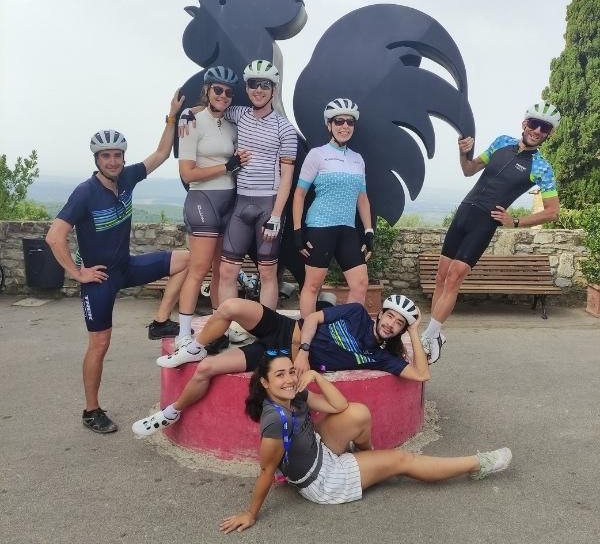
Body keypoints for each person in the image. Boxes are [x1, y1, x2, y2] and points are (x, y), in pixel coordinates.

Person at [218, 353, 512, 532]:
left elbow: (338, 405)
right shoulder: (275, 419)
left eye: (291, 371)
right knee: (403, 461)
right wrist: (250, 513)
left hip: (318, 451)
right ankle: (479, 464)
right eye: (280, 375)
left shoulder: (295, 395)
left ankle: (370, 461)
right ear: (265, 383)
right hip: (325, 480)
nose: (289, 379)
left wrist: (316, 378)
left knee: (357, 412)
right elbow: (267, 471)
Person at [45, 91, 189, 434]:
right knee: (100, 344)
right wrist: (77, 273)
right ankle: (91, 411)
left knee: (189, 259)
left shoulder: (126, 178)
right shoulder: (85, 192)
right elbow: (54, 236)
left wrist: (171, 117)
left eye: (117, 155)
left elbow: (160, 154)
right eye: (106, 156)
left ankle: (159, 321)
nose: (113, 161)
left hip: (126, 266)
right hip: (99, 279)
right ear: (97, 159)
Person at [132, 294, 429, 437]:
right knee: (231, 307)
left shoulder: (382, 357)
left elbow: (421, 373)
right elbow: (312, 318)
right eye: (390, 316)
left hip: (279, 358)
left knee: (207, 370)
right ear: (381, 315)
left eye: (399, 323)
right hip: (288, 332)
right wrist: (304, 351)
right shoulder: (356, 313)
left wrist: (414, 330)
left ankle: (170, 414)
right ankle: (195, 348)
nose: (391, 324)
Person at [422, 102, 561, 363]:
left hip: (485, 222)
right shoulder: (501, 142)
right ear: (524, 123)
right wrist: (462, 153)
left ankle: (430, 334)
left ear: (549, 134)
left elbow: (552, 211)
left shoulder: (542, 167)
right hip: (464, 212)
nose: (538, 130)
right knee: (441, 276)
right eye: (534, 123)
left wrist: (516, 222)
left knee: (454, 278)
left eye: (545, 127)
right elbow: (469, 170)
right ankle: (435, 333)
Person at [179, 59, 297, 351]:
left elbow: (287, 178)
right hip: (240, 202)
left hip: (267, 205)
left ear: (274, 88)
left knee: (267, 273)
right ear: (247, 87)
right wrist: (183, 115)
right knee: (228, 272)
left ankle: (267, 328)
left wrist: (277, 215)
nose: (258, 90)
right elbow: (209, 109)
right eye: (253, 84)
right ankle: (232, 327)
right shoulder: (238, 113)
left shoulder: (285, 129)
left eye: (265, 85)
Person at [175, 66, 250, 344]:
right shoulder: (191, 122)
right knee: (199, 268)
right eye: (218, 89)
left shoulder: (231, 125)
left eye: (229, 92)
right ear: (207, 90)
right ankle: (184, 332)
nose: (223, 95)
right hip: (202, 199)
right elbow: (187, 173)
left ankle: (219, 328)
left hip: (229, 201)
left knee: (222, 269)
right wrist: (226, 166)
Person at [293, 98, 374, 317]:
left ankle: (345, 334)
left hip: (347, 230)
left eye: (350, 122)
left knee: (360, 284)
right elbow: (299, 194)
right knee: (312, 286)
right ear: (329, 125)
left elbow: (363, 198)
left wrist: (368, 231)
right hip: (320, 228)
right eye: (339, 121)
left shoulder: (358, 159)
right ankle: (307, 338)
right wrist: (298, 231)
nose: (345, 126)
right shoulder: (317, 154)